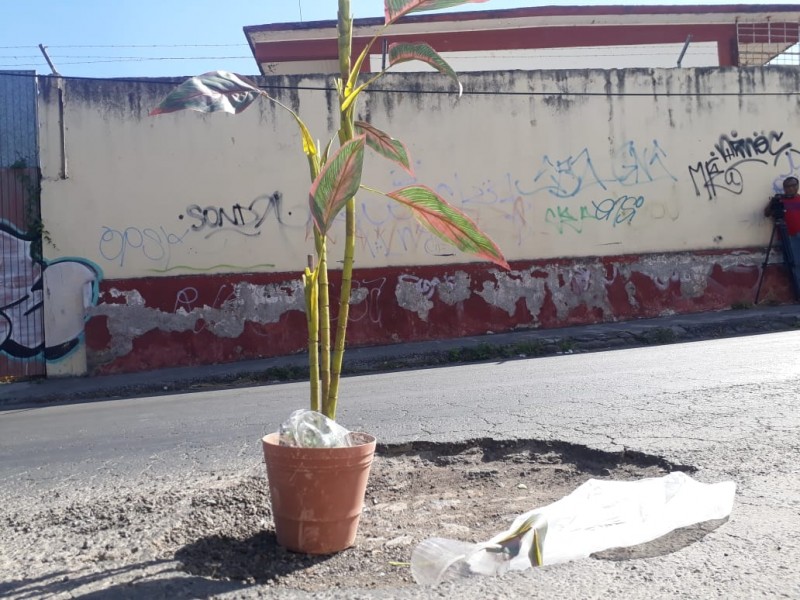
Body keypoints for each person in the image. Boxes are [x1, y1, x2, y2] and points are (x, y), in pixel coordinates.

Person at [764, 176, 800, 299]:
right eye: (788, 186)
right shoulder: (780, 201)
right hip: (787, 236)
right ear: (784, 188)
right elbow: (767, 213)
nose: (792, 188)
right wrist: (773, 203)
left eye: (794, 185)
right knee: (794, 264)